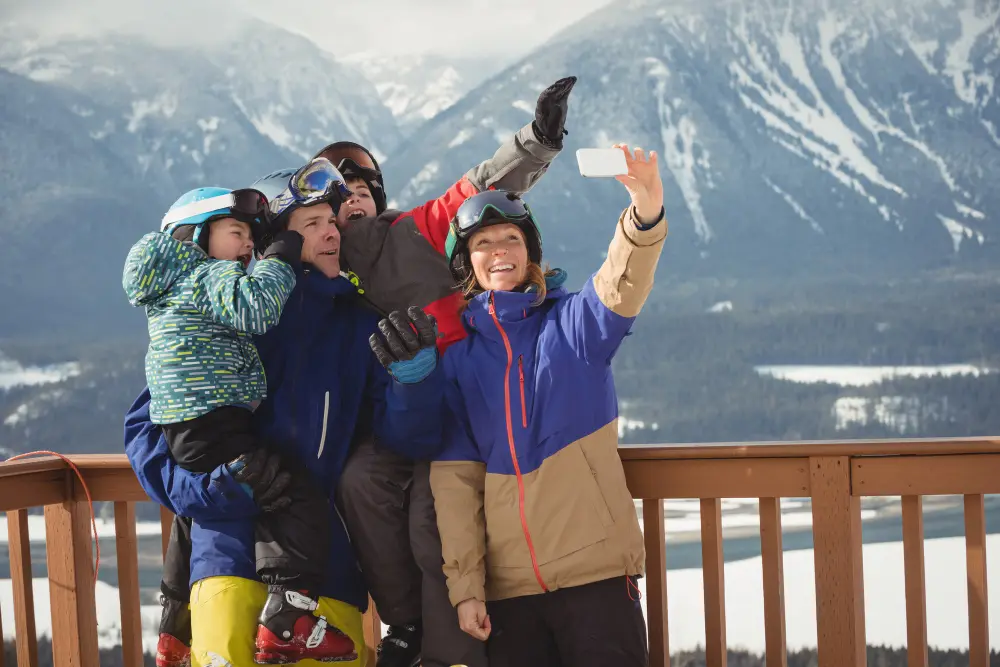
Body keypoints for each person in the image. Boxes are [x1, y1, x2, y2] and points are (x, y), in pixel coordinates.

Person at [125, 159, 445, 666]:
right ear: (278, 241)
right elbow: (151, 424)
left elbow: (409, 440)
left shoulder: (361, 326)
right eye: (311, 224)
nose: (332, 233)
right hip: (227, 552)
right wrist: (202, 489)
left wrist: (414, 382)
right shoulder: (230, 311)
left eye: (333, 220)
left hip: (325, 567)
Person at [369, 144, 666, 666]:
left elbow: (621, 284)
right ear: (467, 264)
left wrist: (643, 212)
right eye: (483, 243)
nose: (499, 249)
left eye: (511, 237)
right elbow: (455, 485)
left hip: (597, 579)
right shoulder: (458, 364)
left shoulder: (573, 326)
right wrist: (466, 589)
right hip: (511, 596)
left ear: (531, 253)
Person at [317, 77, 577, 667]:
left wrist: (536, 141)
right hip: (393, 422)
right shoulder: (317, 270)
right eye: (336, 195)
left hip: (460, 402)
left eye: (359, 190)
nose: (349, 202)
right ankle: (404, 622)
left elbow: (479, 188)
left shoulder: (412, 235)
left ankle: (456, 649)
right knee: (359, 482)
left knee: (430, 517)